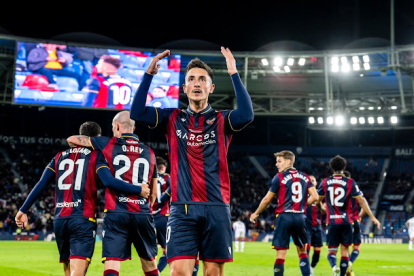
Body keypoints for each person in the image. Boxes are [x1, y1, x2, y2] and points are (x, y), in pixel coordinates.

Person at [129, 47, 254, 276]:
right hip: (182, 208)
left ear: (210, 87)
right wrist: (149, 74)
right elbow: (136, 112)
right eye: (191, 80)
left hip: (216, 206)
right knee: (178, 272)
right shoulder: (172, 118)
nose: (197, 84)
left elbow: (246, 115)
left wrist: (233, 72)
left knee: (213, 273)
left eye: (202, 79)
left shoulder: (222, 119)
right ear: (185, 88)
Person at [15, 122, 149, 276]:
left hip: (60, 220)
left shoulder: (58, 157)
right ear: (96, 139)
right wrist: (138, 189)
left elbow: (41, 184)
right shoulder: (96, 155)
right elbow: (109, 181)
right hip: (82, 220)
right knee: (77, 272)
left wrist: (23, 210)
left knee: (68, 271)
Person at [67, 111, 159, 276]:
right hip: (142, 213)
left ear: (117, 126)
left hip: (116, 212)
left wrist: (92, 143)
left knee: (112, 262)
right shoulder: (150, 152)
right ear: (134, 128)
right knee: (149, 263)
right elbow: (153, 193)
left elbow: (72, 139)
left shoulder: (108, 143)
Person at [250, 150, 319, 276]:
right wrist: (303, 204)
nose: (276, 164)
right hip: (300, 217)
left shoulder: (279, 177)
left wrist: (256, 213)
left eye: (279, 161)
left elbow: (267, 199)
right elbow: (315, 196)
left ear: (288, 162)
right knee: (302, 251)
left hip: (284, 216)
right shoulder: (305, 176)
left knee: (281, 254)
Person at [316, 155, 380, 276]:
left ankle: (334, 267)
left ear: (331, 168)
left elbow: (317, 201)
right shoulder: (350, 182)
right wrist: (372, 217)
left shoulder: (325, 182)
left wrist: (323, 209)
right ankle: (343, 273)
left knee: (332, 251)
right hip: (347, 221)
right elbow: (361, 200)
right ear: (344, 167)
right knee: (345, 251)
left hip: (332, 222)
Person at [152, 156, 171, 273]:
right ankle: (157, 272)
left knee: (150, 249)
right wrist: (164, 198)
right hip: (162, 216)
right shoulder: (166, 177)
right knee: (167, 250)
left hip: (148, 216)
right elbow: (173, 186)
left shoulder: (149, 177)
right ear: (163, 167)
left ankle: (151, 271)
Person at [305, 175, 323, 276]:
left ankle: (311, 268)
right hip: (306, 227)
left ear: (316, 183)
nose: (311, 182)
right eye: (310, 180)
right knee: (306, 250)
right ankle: (307, 271)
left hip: (317, 227)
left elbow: (323, 209)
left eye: (313, 180)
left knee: (317, 252)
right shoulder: (303, 195)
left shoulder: (319, 197)